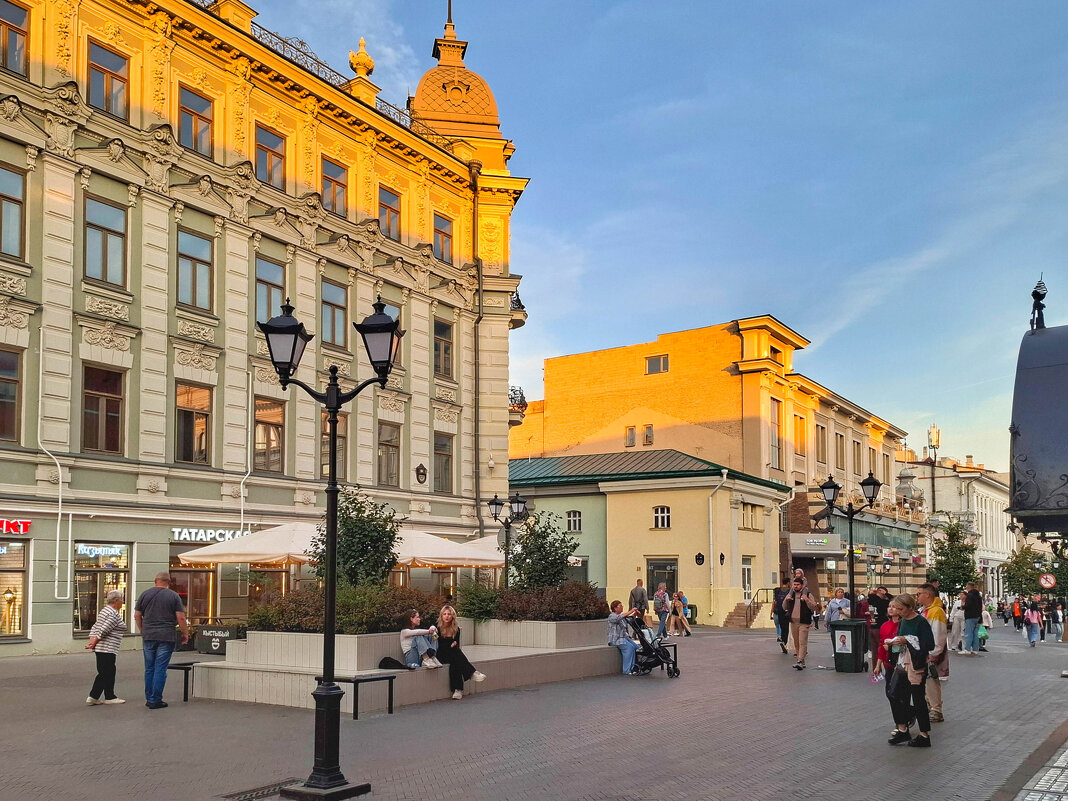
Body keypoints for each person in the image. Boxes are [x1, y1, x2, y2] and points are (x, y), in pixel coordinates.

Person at [885, 593, 935, 748]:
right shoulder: (903, 621)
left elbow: (929, 644)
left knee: (918, 698)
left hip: (916, 664)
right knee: (894, 694)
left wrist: (907, 640)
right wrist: (894, 644)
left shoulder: (921, 622)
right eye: (896, 608)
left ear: (910, 607)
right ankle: (902, 727)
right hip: (902, 662)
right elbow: (901, 640)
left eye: (900, 609)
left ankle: (924, 734)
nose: (898, 612)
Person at [134, 572, 189, 709]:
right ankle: (155, 699)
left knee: (149, 668)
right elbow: (181, 618)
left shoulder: (145, 594)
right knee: (160, 667)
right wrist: (185, 633)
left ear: (155, 581)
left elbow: (137, 615)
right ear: (169, 582)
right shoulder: (173, 596)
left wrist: (142, 630)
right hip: (166, 635)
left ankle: (149, 697)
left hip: (149, 635)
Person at [84, 589, 127, 706]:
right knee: (106, 672)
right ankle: (96, 696)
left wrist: (93, 641)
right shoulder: (112, 613)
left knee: (107, 671)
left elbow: (96, 627)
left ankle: (106, 695)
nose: (123, 602)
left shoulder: (104, 611)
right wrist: (94, 642)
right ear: (116, 600)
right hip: (107, 647)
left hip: (102, 647)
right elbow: (104, 630)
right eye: (122, 599)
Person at [435, 605, 486, 699]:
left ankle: (457, 691)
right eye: (444, 614)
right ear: (441, 616)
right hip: (440, 655)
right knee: (455, 654)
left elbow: (456, 643)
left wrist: (454, 643)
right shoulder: (437, 627)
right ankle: (471, 673)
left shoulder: (456, 629)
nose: (446, 616)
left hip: (452, 654)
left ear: (453, 616)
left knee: (455, 662)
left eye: (449, 614)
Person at [917, 583, 948, 723]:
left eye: (919, 594)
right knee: (925, 681)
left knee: (931, 681)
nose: (917, 597)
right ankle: (931, 706)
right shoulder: (925, 610)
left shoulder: (936, 611)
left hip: (931, 653)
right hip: (923, 651)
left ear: (927, 595)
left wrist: (934, 652)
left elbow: (938, 633)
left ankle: (936, 709)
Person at [782, 577, 818, 670]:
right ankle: (801, 660)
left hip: (804, 622)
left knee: (802, 642)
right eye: (794, 584)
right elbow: (784, 607)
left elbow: (814, 607)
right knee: (796, 643)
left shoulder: (808, 594)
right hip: (793, 622)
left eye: (798, 584)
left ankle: (799, 661)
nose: (796, 586)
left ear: (802, 585)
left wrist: (806, 599)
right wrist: (786, 599)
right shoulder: (791, 594)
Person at [606, 600, 642, 674]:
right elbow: (619, 618)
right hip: (616, 639)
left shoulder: (621, 617)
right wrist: (631, 610)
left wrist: (634, 614)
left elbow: (627, 620)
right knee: (629, 648)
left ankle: (633, 667)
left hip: (624, 638)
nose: (622, 607)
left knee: (636, 647)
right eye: (620, 606)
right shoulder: (612, 616)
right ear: (615, 608)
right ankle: (626, 670)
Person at [962, 582, 982, 655]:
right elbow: (980, 606)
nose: (966, 587)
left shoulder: (969, 595)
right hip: (977, 616)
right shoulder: (978, 595)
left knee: (968, 633)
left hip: (970, 616)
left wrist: (962, 607)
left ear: (969, 587)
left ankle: (967, 649)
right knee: (975, 633)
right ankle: (975, 649)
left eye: (966, 586)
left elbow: (968, 606)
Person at [772, 579, 791, 654]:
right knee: (786, 628)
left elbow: (775, 602)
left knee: (782, 627)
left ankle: (783, 640)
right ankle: (785, 642)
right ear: (788, 583)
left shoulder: (778, 590)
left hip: (779, 611)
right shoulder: (789, 591)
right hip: (786, 611)